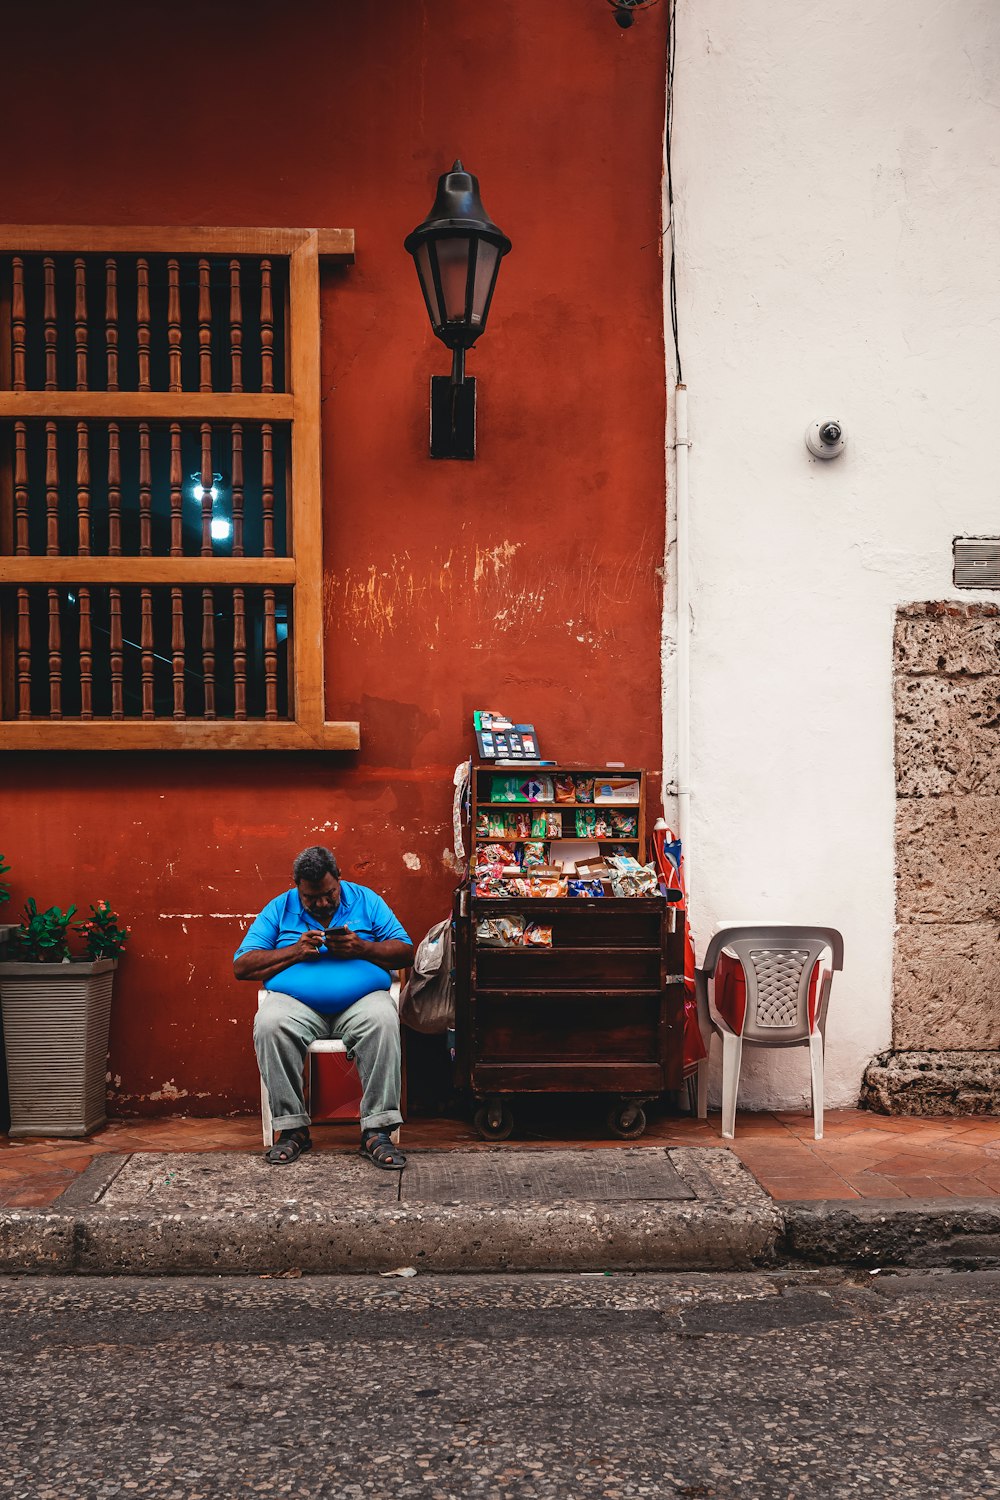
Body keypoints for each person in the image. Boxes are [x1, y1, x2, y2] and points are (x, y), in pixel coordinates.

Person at [234, 846, 414, 1169]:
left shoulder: (367, 901)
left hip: (361, 1002)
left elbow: (405, 952)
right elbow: (242, 965)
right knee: (269, 1023)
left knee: (384, 1019)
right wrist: (295, 951)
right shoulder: (279, 909)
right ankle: (292, 1129)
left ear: (339, 878)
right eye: (310, 897)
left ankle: (377, 1130)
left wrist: (362, 947)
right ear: (297, 887)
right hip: (296, 1005)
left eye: (328, 894)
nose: (320, 903)